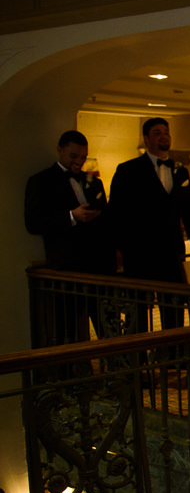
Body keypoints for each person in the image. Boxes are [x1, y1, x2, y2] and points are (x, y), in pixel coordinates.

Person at [109, 117, 190, 330]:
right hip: (139, 250)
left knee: (173, 303)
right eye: (157, 133)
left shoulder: (180, 171)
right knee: (139, 306)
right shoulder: (128, 170)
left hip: (171, 250)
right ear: (146, 139)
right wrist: (117, 247)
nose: (164, 136)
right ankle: (140, 355)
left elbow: (189, 208)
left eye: (166, 132)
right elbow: (116, 211)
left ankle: (173, 354)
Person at [24, 130, 117, 343]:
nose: (79, 162)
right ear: (60, 150)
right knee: (66, 329)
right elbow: (33, 223)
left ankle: (115, 373)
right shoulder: (41, 181)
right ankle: (68, 373)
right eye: (73, 156)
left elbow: (107, 221)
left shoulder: (94, 183)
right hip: (67, 268)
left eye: (83, 157)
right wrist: (71, 217)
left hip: (98, 267)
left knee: (108, 326)